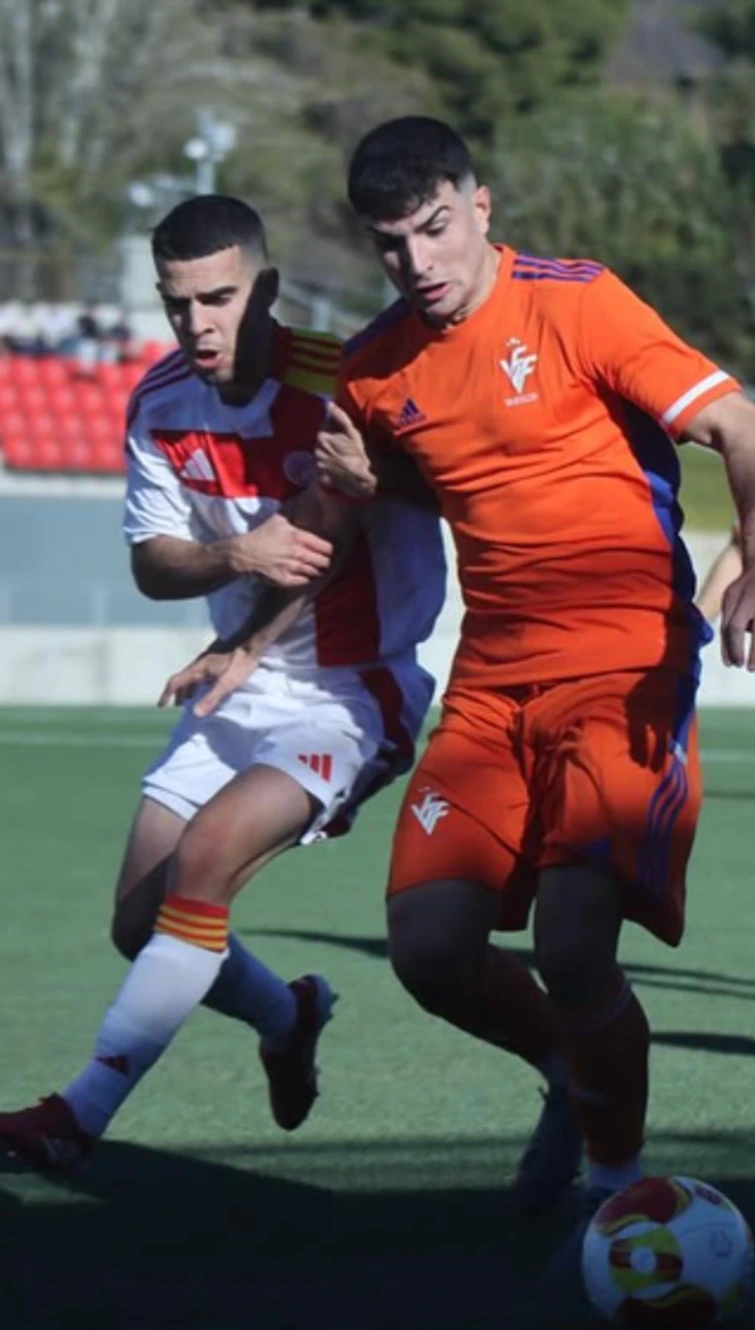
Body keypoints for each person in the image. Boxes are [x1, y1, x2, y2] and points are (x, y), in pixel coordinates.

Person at [310, 116, 755, 1220]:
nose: (417, 262)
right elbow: (444, 487)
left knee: (573, 944)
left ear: (480, 207)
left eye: (434, 228)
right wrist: (364, 483)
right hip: (489, 682)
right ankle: (571, 1076)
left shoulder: (577, 301)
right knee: (429, 951)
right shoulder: (372, 368)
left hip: (627, 661)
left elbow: (744, 429)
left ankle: (617, 1195)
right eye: (391, 244)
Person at [0, 194, 446, 1176]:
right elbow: (154, 564)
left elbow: (361, 523)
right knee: (136, 923)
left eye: (218, 298)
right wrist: (233, 553)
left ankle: (74, 1117)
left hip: (351, 688)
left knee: (204, 862)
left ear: (269, 289)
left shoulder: (348, 381)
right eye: (177, 303)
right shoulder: (161, 400)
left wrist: (256, 619)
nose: (197, 324)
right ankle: (289, 1015)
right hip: (231, 687)